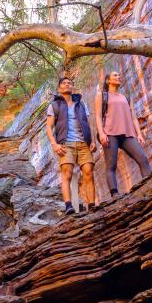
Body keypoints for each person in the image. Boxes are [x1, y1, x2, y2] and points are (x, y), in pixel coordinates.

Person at [45, 75, 99, 215]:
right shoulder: (54, 105)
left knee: (88, 172)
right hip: (65, 144)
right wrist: (54, 144)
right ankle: (69, 206)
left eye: (69, 83)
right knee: (67, 174)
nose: (67, 84)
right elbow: (49, 128)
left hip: (83, 143)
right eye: (64, 83)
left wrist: (92, 140)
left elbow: (88, 123)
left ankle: (91, 205)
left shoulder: (81, 104)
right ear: (59, 88)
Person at [94, 69, 152, 197]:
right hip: (110, 133)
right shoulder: (102, 95)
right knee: (111, 164)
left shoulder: (126, 97)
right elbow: (98, 116)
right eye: (115, 75)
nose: (119, 77)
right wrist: (101, 133)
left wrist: (139, 134)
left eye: (119, 75)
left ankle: (150, 186)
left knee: (142, 159)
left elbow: (133, 117)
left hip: (127, 134)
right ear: (108, 80)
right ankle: (115, 195)